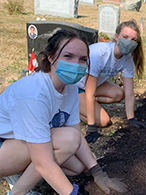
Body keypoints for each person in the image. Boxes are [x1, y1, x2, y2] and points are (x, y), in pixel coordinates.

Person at [0, 30, 127, 195]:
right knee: (61, 146)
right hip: (4, 146)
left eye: (83, 59)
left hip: (22, 143)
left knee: (77, 166)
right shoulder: (34, 94)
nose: (76, 64)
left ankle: (26, 172)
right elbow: (54, 154)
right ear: (51, 57)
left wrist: (97, 171)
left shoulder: (71, 88)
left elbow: (76, 134)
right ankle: (17, 192)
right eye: (68, 56)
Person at [77, 19, 146, 143]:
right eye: (125, 37)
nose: (128, 42)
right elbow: (89, 92)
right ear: (116, 37)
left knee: (119, 94)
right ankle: (72, 106)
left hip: (92, 86)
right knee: (104, 121)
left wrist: (131, 119)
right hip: (75, 86)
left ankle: (87, 104)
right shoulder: (99, 54)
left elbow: (129, 92)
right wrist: (91, 127)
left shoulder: (127, 60)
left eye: (133, 40)